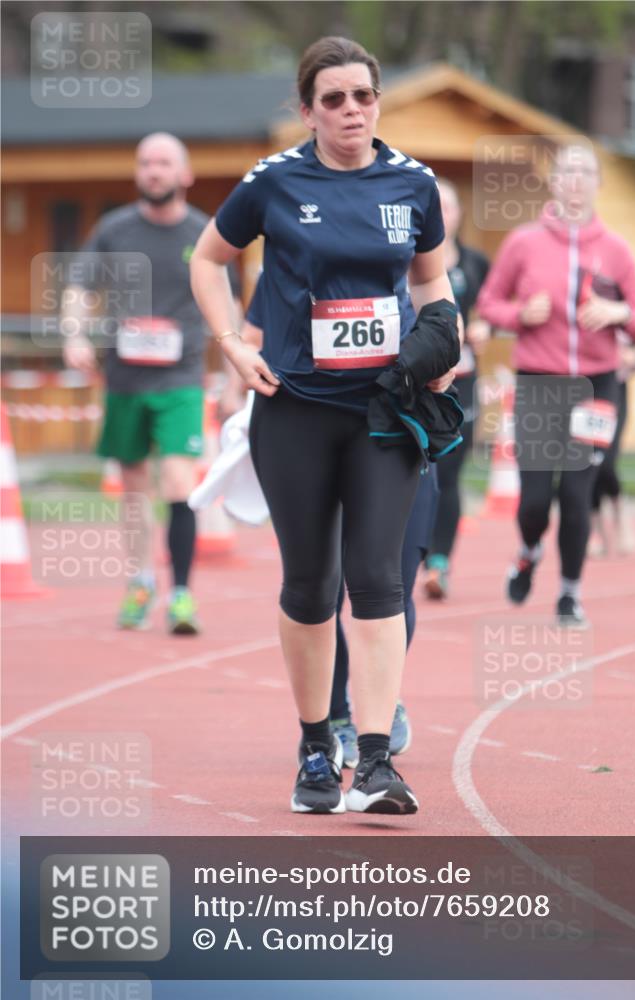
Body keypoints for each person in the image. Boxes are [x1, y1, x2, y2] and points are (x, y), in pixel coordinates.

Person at [190, 36, 459, 815]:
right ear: (307, 109)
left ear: (378, 102)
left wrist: (444, 337)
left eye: (363, 96)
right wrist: (233, 345)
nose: (351, 110)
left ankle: (374, 761)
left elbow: (431, 277)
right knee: (311, 585)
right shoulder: (272, 182)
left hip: (384, 409)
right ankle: (315, 750)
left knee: (377, 581)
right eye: (333, 98)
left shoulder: (412, 183)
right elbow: (206, 260)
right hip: (296, 411)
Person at [241, 282, 446, 767]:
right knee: (323, 587)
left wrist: (443, 357)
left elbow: (444, 323)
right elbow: (252, 334)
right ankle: (333, 715)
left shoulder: (410, 250)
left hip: (396, 432)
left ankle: (380, 699)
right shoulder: (299, 246)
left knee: (391, 581)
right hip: (318, 434)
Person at [61, 132, 232, 635]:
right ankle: (141, 580)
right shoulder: (114, 230)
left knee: (179, 481)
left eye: (163, 163)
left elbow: (229, 303)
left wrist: (232, 374)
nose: (153, 171)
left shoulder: (205, 233)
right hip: (124, 378)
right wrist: (74, 335)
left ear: (185, 174)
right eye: (145, 163)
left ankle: (181, 593)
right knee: (134, 486)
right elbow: (78, 288)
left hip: (181, 378)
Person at [477, 143, 635, 627]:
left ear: (598, 183)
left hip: (596, 386)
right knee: (534, 502)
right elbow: (489, 304)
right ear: (554, 183)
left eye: (586, 172)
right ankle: (529, 548)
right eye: (567, 172)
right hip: (539, 382)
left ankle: (569, 595)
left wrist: (617, 313)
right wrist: (520, 314)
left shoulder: (616, 250)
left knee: (578, 496)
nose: (576, 180)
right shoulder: (523, 242)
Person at [423, 179, 490, 600]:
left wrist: (487, 326)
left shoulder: (475, 263)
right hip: (418, 385)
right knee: (417, 474)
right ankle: (413, 553)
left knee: (448, 475)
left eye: (448, 206)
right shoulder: (408, 259)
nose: (443, 214)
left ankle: (439, 562)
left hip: (463, 386)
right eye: (436, 206)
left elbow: (498, 305)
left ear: (459, 214)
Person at [588, 336, 635, 557]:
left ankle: (620, 515)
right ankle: (595, 530)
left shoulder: (622, 300)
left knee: (605, 460)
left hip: (613, 385)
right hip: (580, 383)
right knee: (587, 458)